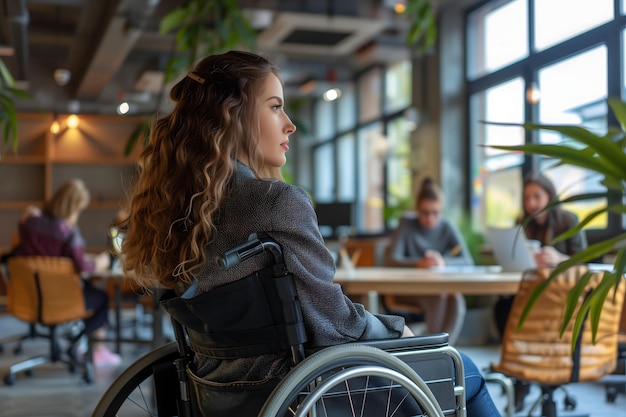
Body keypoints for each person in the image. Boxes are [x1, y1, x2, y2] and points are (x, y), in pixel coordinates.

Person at [116, 50, 501, 416]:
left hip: (217, 394)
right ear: (233, 115)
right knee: (463, 370)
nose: (290, 124)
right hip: (305, 392)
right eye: (275, 106)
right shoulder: (276, 202)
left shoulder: (171, 215)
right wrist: (397, 331)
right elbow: (337, 323)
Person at [493, 171, 587, 411]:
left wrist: (559, 258)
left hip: (561, 296)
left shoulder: (568, 221)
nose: (531, 203)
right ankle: (520, 375)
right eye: (527, 198)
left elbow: (586, 264)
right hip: (531, 290)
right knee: (503, 307)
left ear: (550, 196)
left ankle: (527, 378)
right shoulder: (522, 225)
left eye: (537, 196)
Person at [15, 179, 121, 368]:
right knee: (102, 299)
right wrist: (102, 261)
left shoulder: (29, 222)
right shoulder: (68, 232)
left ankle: (82, 344)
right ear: (73, 207)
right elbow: (84, 267)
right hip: (62, 297)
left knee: (87, 288)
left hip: (32, 297)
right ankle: (89, 347)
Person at [386, 176, 473, 344]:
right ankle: (434, 349)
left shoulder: (447, 227)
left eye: (436, 213)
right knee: (438, 295)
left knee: (455, 298)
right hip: (409, 287)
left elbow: (467, 260)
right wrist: (418, 264)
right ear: (417, 210)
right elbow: (391, 260)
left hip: (437, 287)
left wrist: (443, 262)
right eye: (425, 213)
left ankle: (444, 348)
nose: (430, 218)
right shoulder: (406, 225)